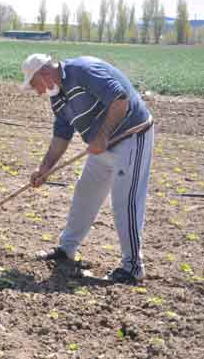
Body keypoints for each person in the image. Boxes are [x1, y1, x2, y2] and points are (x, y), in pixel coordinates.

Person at [21, 54, 154, 284]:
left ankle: (133, 267)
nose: (37, 92)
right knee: (85, 194)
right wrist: (44, 168)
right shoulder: (57, 99)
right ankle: (66, 250)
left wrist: (102, 136)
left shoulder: (82, 71)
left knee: (126, 200)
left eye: (35, 86)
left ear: (44, 74)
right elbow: (61, 137)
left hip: (131, 135)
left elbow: (120, 99)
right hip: (100, 146)